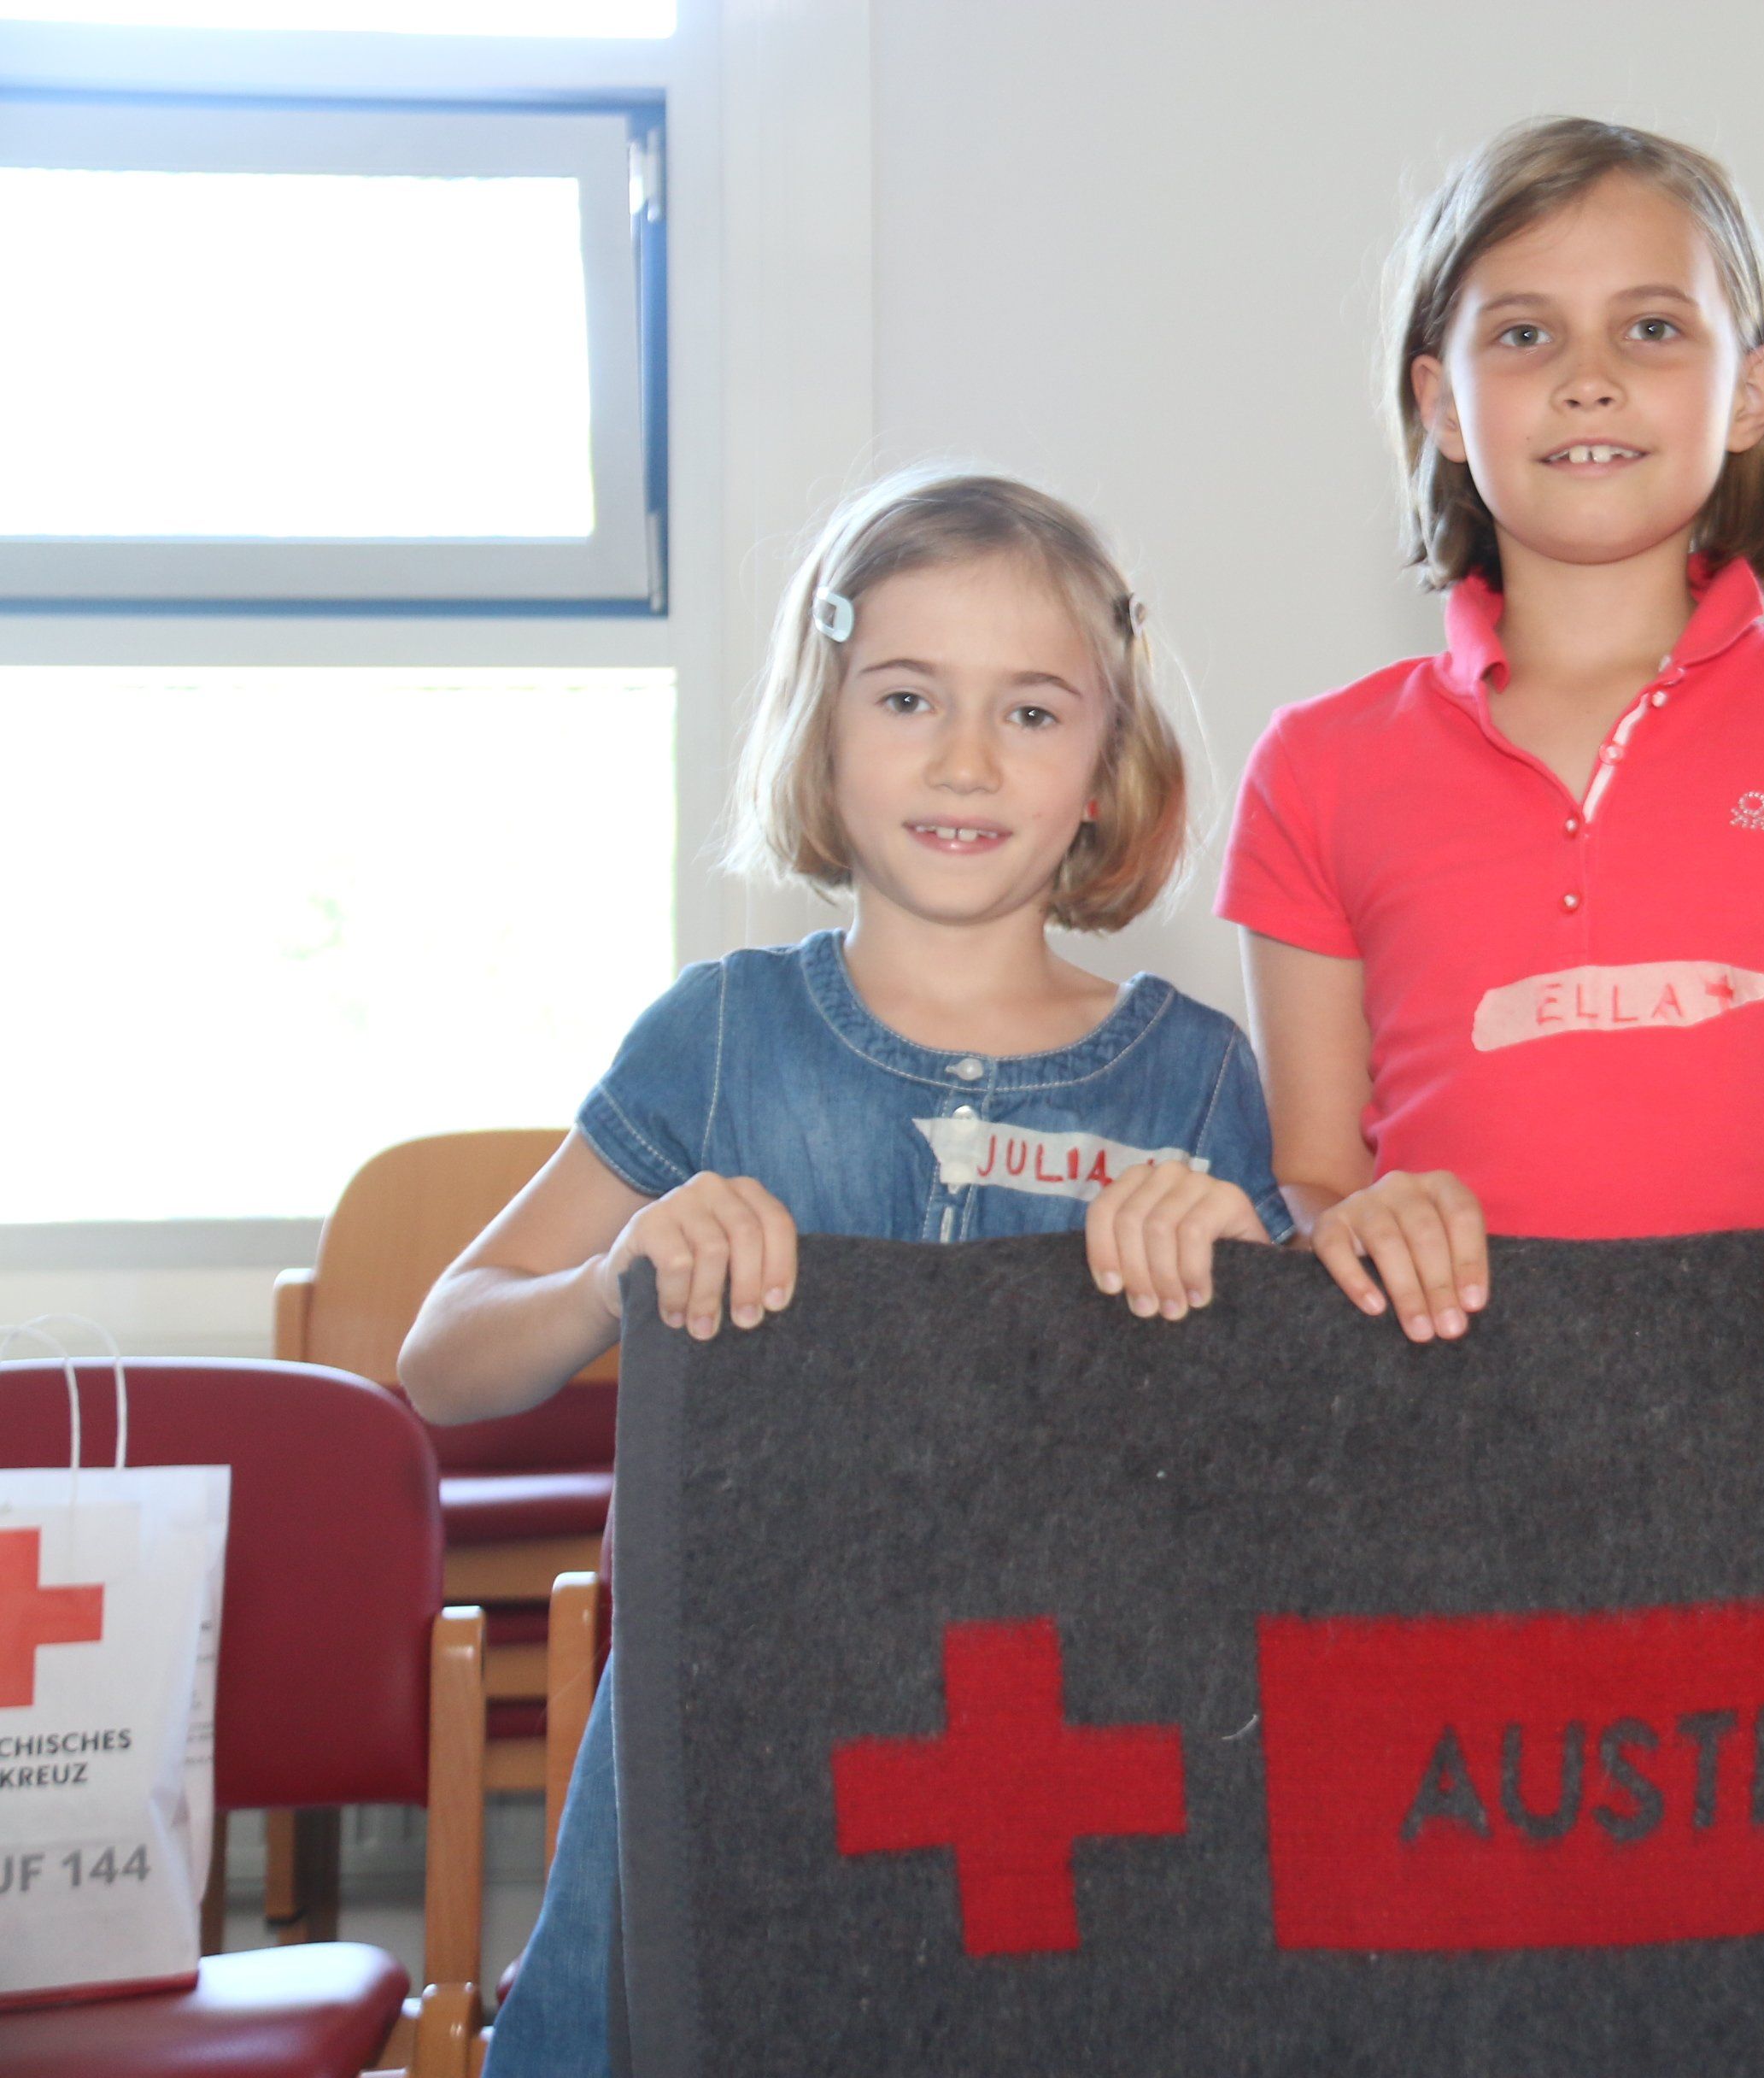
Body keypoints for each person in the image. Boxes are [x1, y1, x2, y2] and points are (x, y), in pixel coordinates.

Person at [402, 469, 1289, 2071]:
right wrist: (612, 1282)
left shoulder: (1199, 1077)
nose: (965, 759)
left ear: (1108, 767)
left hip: (1064, 1762)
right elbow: (443, 1358)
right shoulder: (718, 1034)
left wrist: (1247, 1293)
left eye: (1032, 711)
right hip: (721, 1739)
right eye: (907, 697)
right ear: (822, 731)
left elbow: (1294, 1481)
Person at [1221, 117, 1764, 1376]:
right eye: (1525, 335)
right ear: (1439, 404)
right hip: (1443, 1411)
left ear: (1752, 393)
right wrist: (1355, 1216)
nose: (1589, 378)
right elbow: (1310, 1175)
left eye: (1653, 327)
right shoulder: (1314, 766)